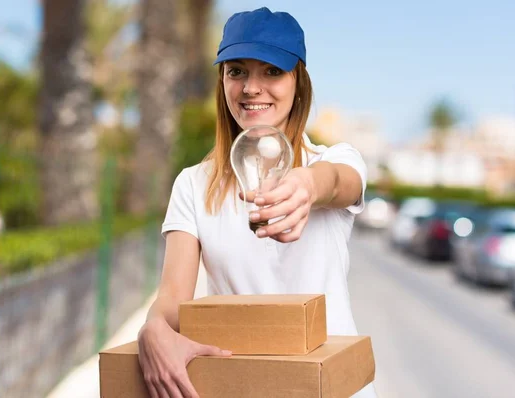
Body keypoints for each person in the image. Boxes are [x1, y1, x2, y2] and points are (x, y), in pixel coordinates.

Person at [137, 7, 378, 398]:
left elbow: (338, 184)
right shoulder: (193, 185)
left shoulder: (332, 162)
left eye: (271, 71)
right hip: (244, 387)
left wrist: (307, 185)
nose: (251, 87)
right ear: (222, 80)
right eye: (237, 71)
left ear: (298, 82)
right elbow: (170, 302)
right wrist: (153, 329)